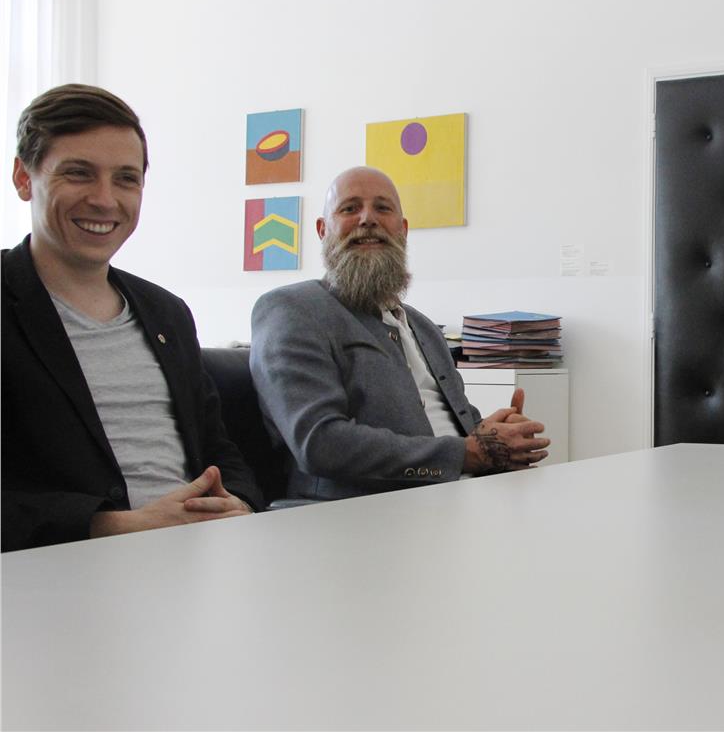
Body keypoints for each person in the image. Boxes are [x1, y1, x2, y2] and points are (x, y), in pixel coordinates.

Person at [2, 84, 263, 552]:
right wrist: (116, 526)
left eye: (126, 179)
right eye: (79, 173)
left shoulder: (167, 313)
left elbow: (220, 450)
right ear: (24, 178)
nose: (105, 200)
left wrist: (238, 503)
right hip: (65, 569)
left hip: (198, 554)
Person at [250, 166, 550, 500]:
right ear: (322, 230)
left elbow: (466, 435)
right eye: (349, 208)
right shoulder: (292, 310)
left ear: (403, 230)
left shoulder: (424, 328)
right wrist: (466, 454)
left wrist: (500, 439)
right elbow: (319, 443)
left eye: (382, 208)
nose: (368, 219)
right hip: (362, 512)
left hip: (463, 498)